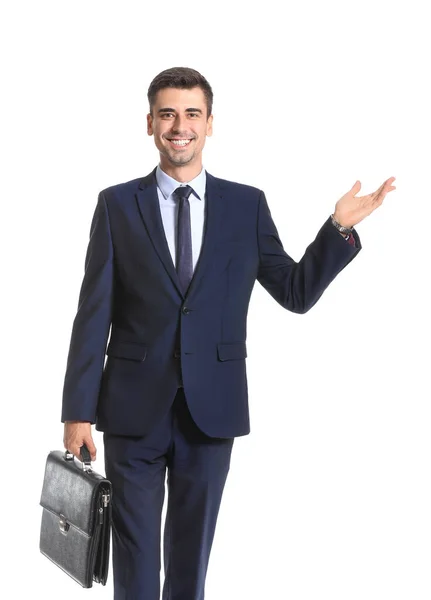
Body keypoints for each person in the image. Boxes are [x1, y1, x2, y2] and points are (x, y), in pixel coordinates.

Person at [62, 66, 396, 599]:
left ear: (210, 123)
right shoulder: (117, 204)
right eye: (168, 113)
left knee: (190, 566)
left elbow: (295, 292)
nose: (180, 125)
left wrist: (337, 231)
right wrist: (77, 411)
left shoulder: (246, 205)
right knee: (137, 565)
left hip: (210, 412)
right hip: (131, 412)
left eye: (192, 113)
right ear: (149, 123)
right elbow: (92, 313)